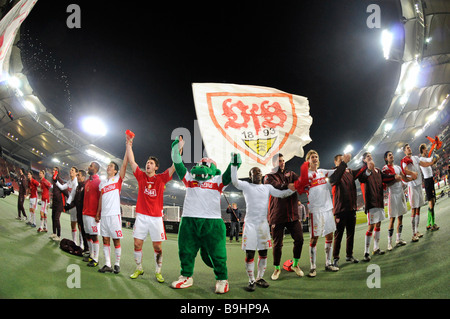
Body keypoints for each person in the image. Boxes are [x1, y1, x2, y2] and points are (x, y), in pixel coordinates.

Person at [170, 137, 232, 294]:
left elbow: (229, 174)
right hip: (189, 221)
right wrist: (176, 148)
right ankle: (186, 276)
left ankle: (222, 278)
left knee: (217, 252)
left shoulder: (218, 179)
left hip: (212, 223)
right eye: (200, 163)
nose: (201, 165)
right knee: (185, 250)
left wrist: (234, 162)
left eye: (206, 163)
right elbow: (178, 164)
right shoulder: (190, 178)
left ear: (214, 168)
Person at [231, 155, 295, 291]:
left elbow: (281, 194)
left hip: (263, 225)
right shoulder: (246, 186)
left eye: (259, 172)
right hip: (250, 225)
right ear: (250, 176)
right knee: (249, 254)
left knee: (263, 253)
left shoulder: (267, 188)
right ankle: (251, 280)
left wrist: (293, 189)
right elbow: (235, 181)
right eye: (254, 172)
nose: (257, 173)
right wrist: (234, 165)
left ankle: (260, 278)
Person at [127, 133, 175, 283]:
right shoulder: (141, 176)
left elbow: (174, 166)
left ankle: (158, 271)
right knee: (137, 243)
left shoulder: (161, 179)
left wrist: (178, 151)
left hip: (156, 218)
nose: (148, 164)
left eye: (151, 163)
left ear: (156, 167)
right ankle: (139, 267)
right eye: (147, 162)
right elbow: (131, 161)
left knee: (157, 246)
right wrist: (129, 144)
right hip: (141, 216)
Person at [292, 150, 341, 277]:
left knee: (329, 236)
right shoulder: (305, 175)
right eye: (312, 157)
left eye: (316, 156)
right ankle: (313, 267)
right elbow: (300, 187)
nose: (315, 158)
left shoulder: (322, 172)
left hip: (328, 209)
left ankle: (328, 263)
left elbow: (337, 171)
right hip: (315, 211)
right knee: (314, 238)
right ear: (308, 160)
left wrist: (343, 162)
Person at [264, 153, 304, 280]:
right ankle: (276, 269)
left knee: (300, 239)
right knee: (277, 244)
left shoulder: (291, 174)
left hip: (293, 214)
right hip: (277, 215)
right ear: (274, 163)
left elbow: (300, 182)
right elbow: (275, 186)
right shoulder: (268, 177)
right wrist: (288, 185)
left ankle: (295, 264)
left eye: (283, 160)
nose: (282, 163)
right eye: (279, 161)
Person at [358, 152, 399, 261]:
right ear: (364, 160)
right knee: (371, 226)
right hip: (371, 203)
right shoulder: (364, 171)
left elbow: (386, 178)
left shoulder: (378, 170)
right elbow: (361, 179)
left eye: (370, 155)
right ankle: (366, 252)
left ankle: (376, 248)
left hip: (379, 201)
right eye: (367, 156)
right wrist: (368, 170)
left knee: (378, 224)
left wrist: (394, 176)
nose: (370, 157)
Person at [329, 154, 365, 268]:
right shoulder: (334, 172)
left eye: (343, 160)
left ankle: (349, 255)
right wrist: (343, 164)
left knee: (351, 233)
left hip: (351, 208)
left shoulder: (349, 172)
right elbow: (334, 180)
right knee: (338, 235)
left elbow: (359, 172)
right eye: (340, 160)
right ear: (335, 163)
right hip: (340, 209)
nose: (343, 161)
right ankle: (335, 258)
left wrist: (365, 164)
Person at [97, 152, 128, 274]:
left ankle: (117, 264)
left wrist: (128, 146)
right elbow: (100, 198)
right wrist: (98, 212)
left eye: (111, 166)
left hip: (114, 215)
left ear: (115, 171)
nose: (108, 167)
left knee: (116, 240)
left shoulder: (118, 179)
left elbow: (124, 165)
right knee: (105, 239)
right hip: (104, 215)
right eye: (108, 165)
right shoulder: (102, 183)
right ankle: (107, 264)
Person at [401, 143, 437, 241]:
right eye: (407, 148)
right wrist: (412, 173)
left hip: (419, 186)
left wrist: (431, 163)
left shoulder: (416, 158)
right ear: (404, 151)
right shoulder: (404, 160)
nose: (409, 149)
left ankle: (416, 231)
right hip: (412, 187)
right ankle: (413, 234)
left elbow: (424, 164)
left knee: (418, 209)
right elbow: (405, 170)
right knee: (414, 209)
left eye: (409, 147)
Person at [382, 151, 410, 250]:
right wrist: (395, 179)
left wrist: (411, 178)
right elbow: (385, 181)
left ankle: (398, 239)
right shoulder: (385, 169)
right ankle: (389, 243)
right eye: (389, 155)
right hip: (393, 194)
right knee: (392, 218)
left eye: (392, 154)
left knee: (400, 217)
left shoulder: (398, 167)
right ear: (386, 159)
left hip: (400, 193)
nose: (392, 156)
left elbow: (404, 177)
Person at [82, 162, 102, 267]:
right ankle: (91, 254)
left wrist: (98, 213)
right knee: (88, 235)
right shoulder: (87, 181)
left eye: (91, 166)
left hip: (93, 214)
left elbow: (101, 199)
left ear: (96, 169)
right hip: (85, 212)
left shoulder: (99, 182)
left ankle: (96, 258)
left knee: (94, 236)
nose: (89, 167)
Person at [65, 169, 89, 254]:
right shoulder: (78, 187)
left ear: (83, 177)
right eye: (77, 175)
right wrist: (68, 206)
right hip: (79, 211)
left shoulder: (86, 186)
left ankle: (85, 247)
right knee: (80, 227)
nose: (77, 176)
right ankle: (82, 246)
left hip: (84, 212)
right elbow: (75, 200)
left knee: (85, 230)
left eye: (78, 175)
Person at [419, 143, 440, 231]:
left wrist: (435, 153)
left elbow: (434, 159)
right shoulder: (422, 159)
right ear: (422, 150)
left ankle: (428, 224)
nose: (427, 150)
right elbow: (432, 159)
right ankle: (432, 224)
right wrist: (434, 151)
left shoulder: (425, 158)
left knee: (433, 202)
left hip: (430, 180)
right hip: (427, 181)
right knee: (431, 202)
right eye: (426, 149)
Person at [56, 167, 79, 244]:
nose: (70, 171)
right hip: (71, 205)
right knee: (73, 224)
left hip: (75, 205)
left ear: (76, 173)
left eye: (72, 170)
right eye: (70, 170)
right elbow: (62, 187)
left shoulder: (76, 182)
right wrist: (56, 181)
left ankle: (82, 244)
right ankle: (74, 242)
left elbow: (72, 194)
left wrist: (67, 203)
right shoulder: (70, 181)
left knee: (79, 226)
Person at [49, 167, 68, 242]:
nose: (53, 171)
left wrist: (68, 202)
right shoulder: (53, 180)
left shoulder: (59, 180)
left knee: (57, 218)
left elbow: (65, 191)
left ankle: (59, 235)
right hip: (54, 202)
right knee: (53, 217)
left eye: (55, 170)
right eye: (53, 170)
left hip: (59, 203)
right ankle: (54, 233)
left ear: (58, 172)